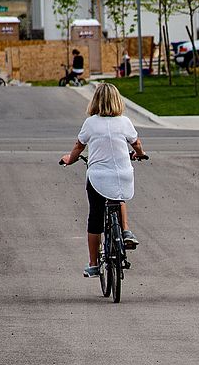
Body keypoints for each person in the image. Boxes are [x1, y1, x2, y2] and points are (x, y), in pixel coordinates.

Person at [60, 82, 146, 277]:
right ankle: (125, 231)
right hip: (123, 174)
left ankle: (93, 263)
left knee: (95, 218)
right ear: (117, 101)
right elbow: (137, 143)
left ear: (95, 101)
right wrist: (140, 153)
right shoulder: (125, 122)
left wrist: (69, 159)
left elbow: (78, 146)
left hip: (98, 177)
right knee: (118, 196)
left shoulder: (91, 123)